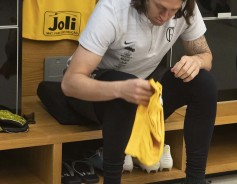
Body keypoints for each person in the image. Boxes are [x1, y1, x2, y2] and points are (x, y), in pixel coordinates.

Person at [61, 0, 217, 183]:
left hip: (140, 89)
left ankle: (195, 179)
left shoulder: (184, 7)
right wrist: (120, 89)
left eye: (172, 11)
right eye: (160, 8)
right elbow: (70, 83)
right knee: (125, 89)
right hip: (94, 91)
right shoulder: (112, 8)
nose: (166, 17)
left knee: (203, 82)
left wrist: (197, 61)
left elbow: (206, 56)